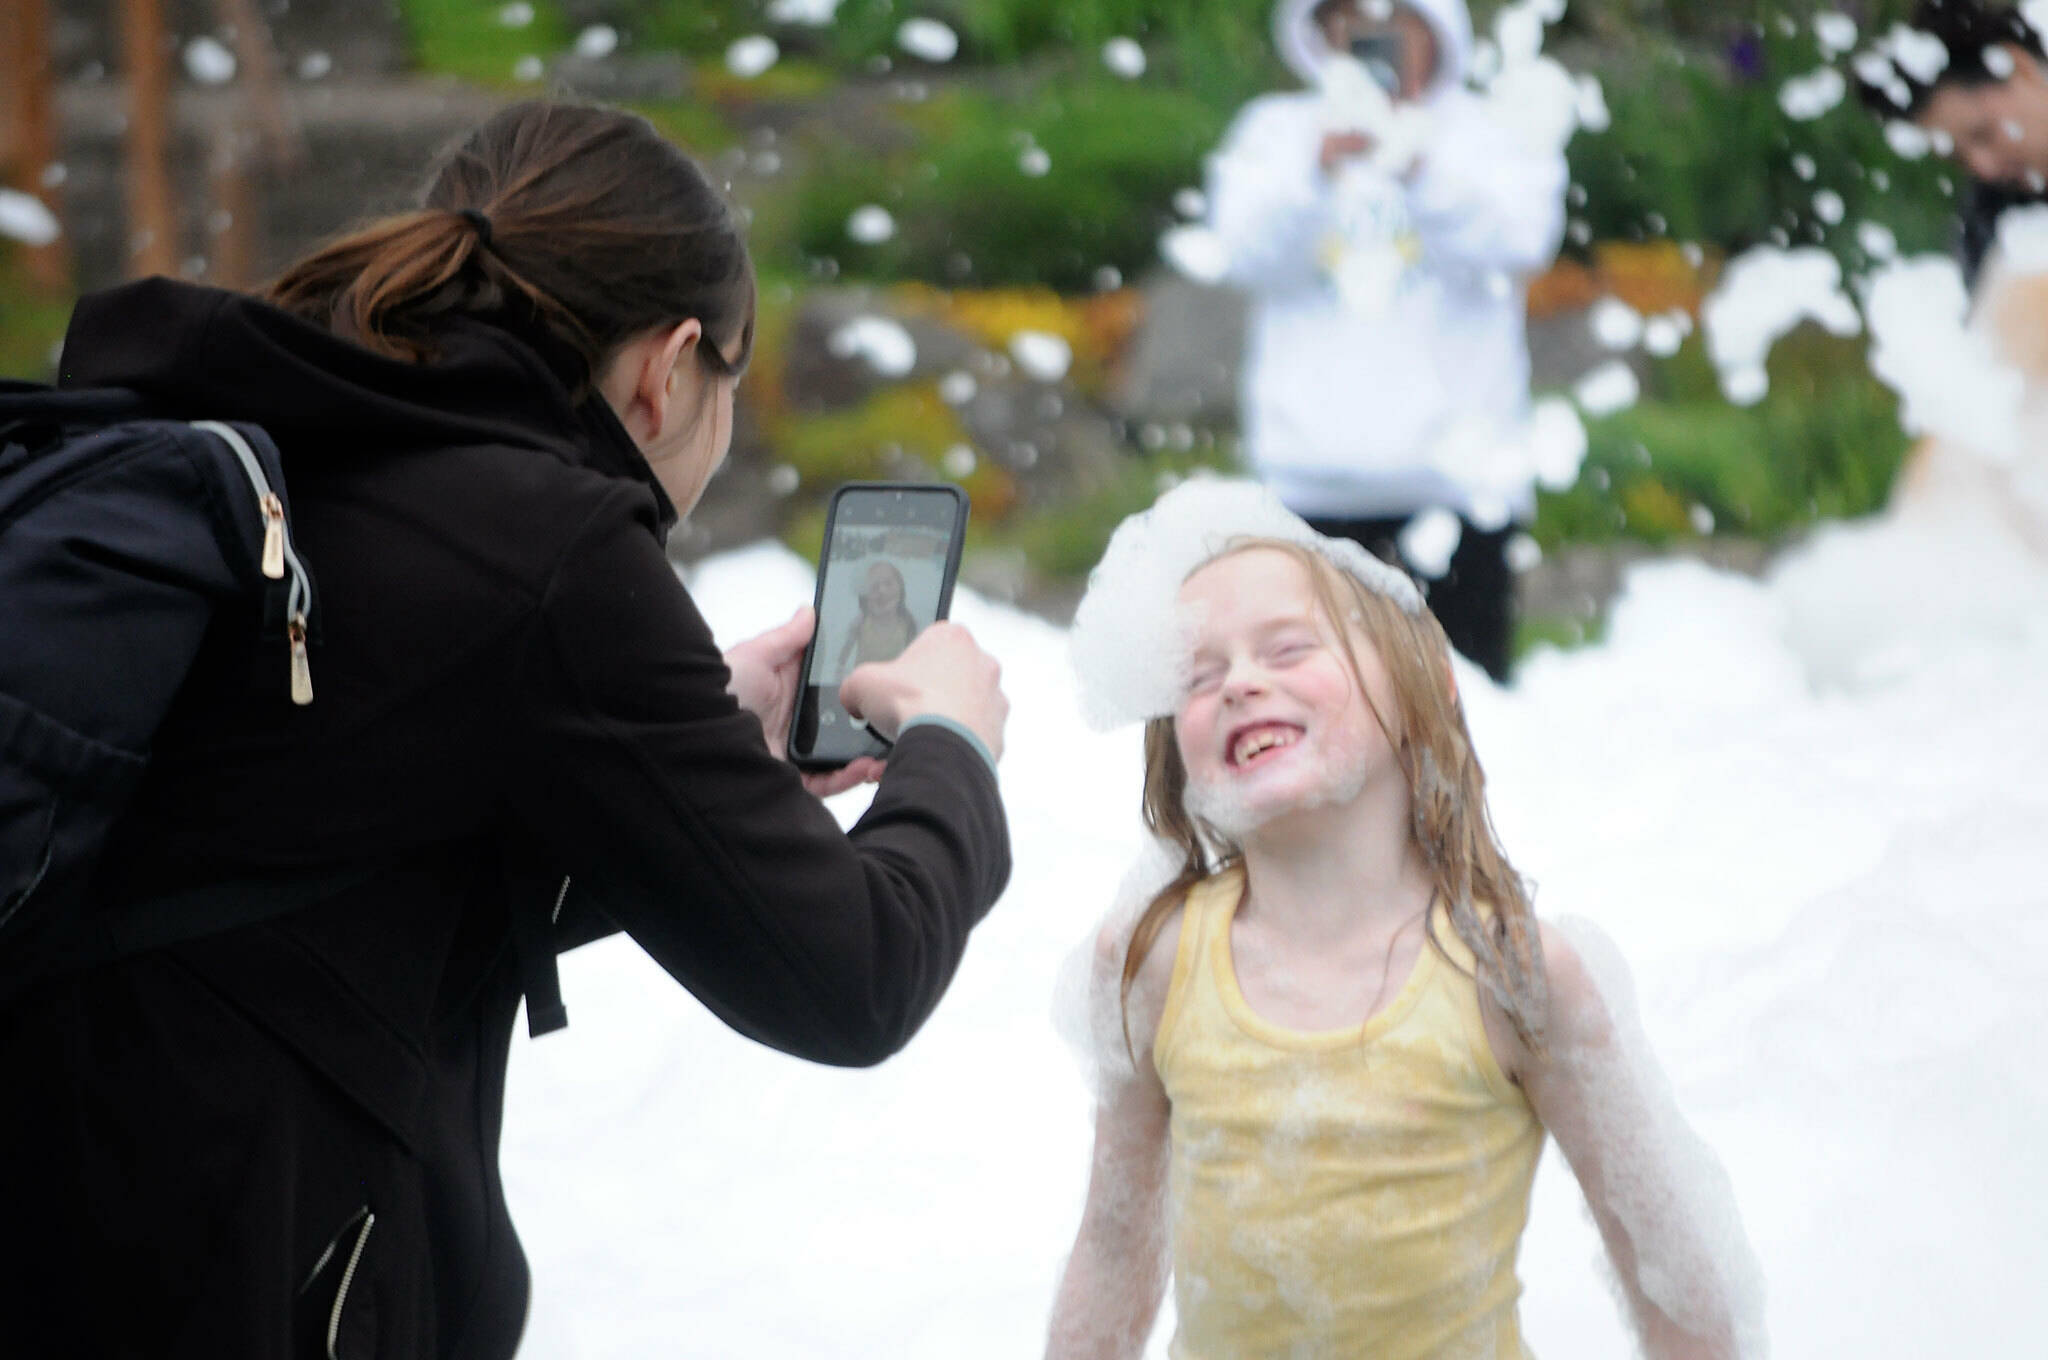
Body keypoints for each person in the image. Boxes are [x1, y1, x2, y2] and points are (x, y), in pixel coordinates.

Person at [0, 101, 1011, 1358]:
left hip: (68, 1204)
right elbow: (854, 975)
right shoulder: (555, 544)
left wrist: (700, 752)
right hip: (237, 1256)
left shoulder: (305, 430)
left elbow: (333, 851)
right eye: (729, 383)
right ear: (670, 364)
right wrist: (953, 754)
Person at [1046, 483, 1762, 1358]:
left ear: (1425, 689)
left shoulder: (1511, 975)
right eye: (1199, 674)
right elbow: (1116, 1247)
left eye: (1288, 646)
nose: (1240, 682)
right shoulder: (1155, 961)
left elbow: (1670, 1269)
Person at [1205, 0, 1568, 683]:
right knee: (1318, 711)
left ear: (1435, 28)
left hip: (1457, 489)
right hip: (1307, 491)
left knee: (1465, 718)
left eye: (1391, 18)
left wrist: (1415, 167)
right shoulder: (1277, 131)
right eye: (1346, 19)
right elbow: (1241, 253)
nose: (1368, 38)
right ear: (1317, 30)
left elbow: (1522, 241)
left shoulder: (1484, 133)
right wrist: (1318, 170)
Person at [1852, 0, 2048, 290]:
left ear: (2020, 68)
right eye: (1959, 158)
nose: (1986, 168)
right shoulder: (1990, 233)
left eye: (1984, 134)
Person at [837, 558, 920, 676]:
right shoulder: (860, 623)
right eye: (874, 587)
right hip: (864, 681)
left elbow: (915, 659)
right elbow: (842, 661)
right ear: (865, 597)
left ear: (900, 588)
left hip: (893, 682)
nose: (882, 591)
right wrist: (839, 671)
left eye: (888, 583)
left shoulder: (907, 623)